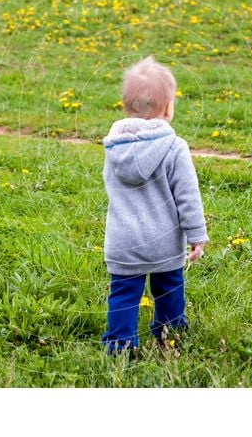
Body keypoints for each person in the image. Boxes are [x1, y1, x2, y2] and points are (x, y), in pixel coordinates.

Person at [101, 56, 208, 352]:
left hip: (123, 241)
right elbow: (187, 195)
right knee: (169, 287)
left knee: (123, 294)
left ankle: (119, 344)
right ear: (168, 108)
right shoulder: (174, 147)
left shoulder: (113, 147)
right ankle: (170, 332)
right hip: (164, 240)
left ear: (126, 107)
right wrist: (197, 234)